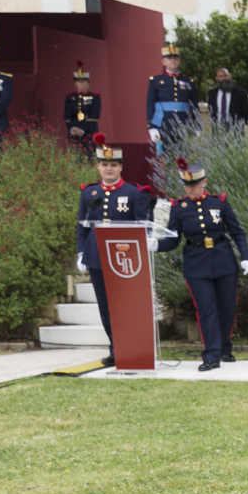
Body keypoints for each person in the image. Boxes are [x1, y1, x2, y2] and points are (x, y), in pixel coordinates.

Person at [154, 158, 248, 372]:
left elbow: (236, 231)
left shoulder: (219, 202)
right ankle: (211, 355)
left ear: (204, 182)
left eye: (194, 185)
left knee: (228, 307)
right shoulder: (178, 208)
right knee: (206, 309)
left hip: (223, 260)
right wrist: (155, 245)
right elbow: (173, 240)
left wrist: (245, 255)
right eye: (187, 185)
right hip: (196, 264)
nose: (190, 189)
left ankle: (224, 346)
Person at [75, 135, 151, 368]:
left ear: (120, 167)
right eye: (105, 165)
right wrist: (80, 252)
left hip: (124, 257)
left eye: (113, 165)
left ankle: (132, 347)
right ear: (98, 166)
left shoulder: (135, 192)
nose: (109, 169)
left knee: (126, 305)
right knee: (106, 307)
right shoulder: (89, 193)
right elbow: (82, 224)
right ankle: (115, 349)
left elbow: (142, 225)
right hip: (97, 255)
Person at [146, 44, 198, 153]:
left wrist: (197, 126)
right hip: (163, 124)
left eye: (175, 58)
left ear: (179, 61)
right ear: (163, 62)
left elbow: (194, 106)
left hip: (184, 125)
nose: (173, 60)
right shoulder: (156, 81)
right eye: (169, 58)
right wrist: (152, 127)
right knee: (166, 159)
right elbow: (150, 104)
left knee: (184, 159)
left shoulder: (189, 82)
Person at [64, 61, 101, 152]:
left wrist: (83, 130)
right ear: (75, 83)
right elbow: (67, 117)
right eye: (78, 82)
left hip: (89, 132)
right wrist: (74, 129)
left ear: (88, 83)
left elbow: (94, 117)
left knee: (90, 159)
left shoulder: (95, 97)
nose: (81, 84)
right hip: (74, 134)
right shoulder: (70, 97)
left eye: (83, 82)